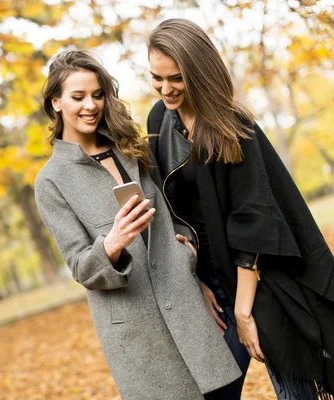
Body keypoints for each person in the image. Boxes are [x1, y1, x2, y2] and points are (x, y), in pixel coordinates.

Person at [34, 49, 241, 399]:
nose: (90, 105)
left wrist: (188, 255)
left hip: (186, 301)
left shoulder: (132, 149)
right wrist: (112, 244)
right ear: (56, 102)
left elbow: (175, 210)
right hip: (138, 330)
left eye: (98, 95)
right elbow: (81, 267)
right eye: (78, 97)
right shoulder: (51, 181)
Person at [146, 18, 334, 400]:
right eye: (156, 77)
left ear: (198, 71)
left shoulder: (232, 124)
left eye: (177, 78)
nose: (166, 88)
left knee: (297, 387)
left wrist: (245, 313)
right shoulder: (158, 121)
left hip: (261, 279)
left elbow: (254, 218)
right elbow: (170, 210)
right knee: (214, 391)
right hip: (210, 283)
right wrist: (195, 278)